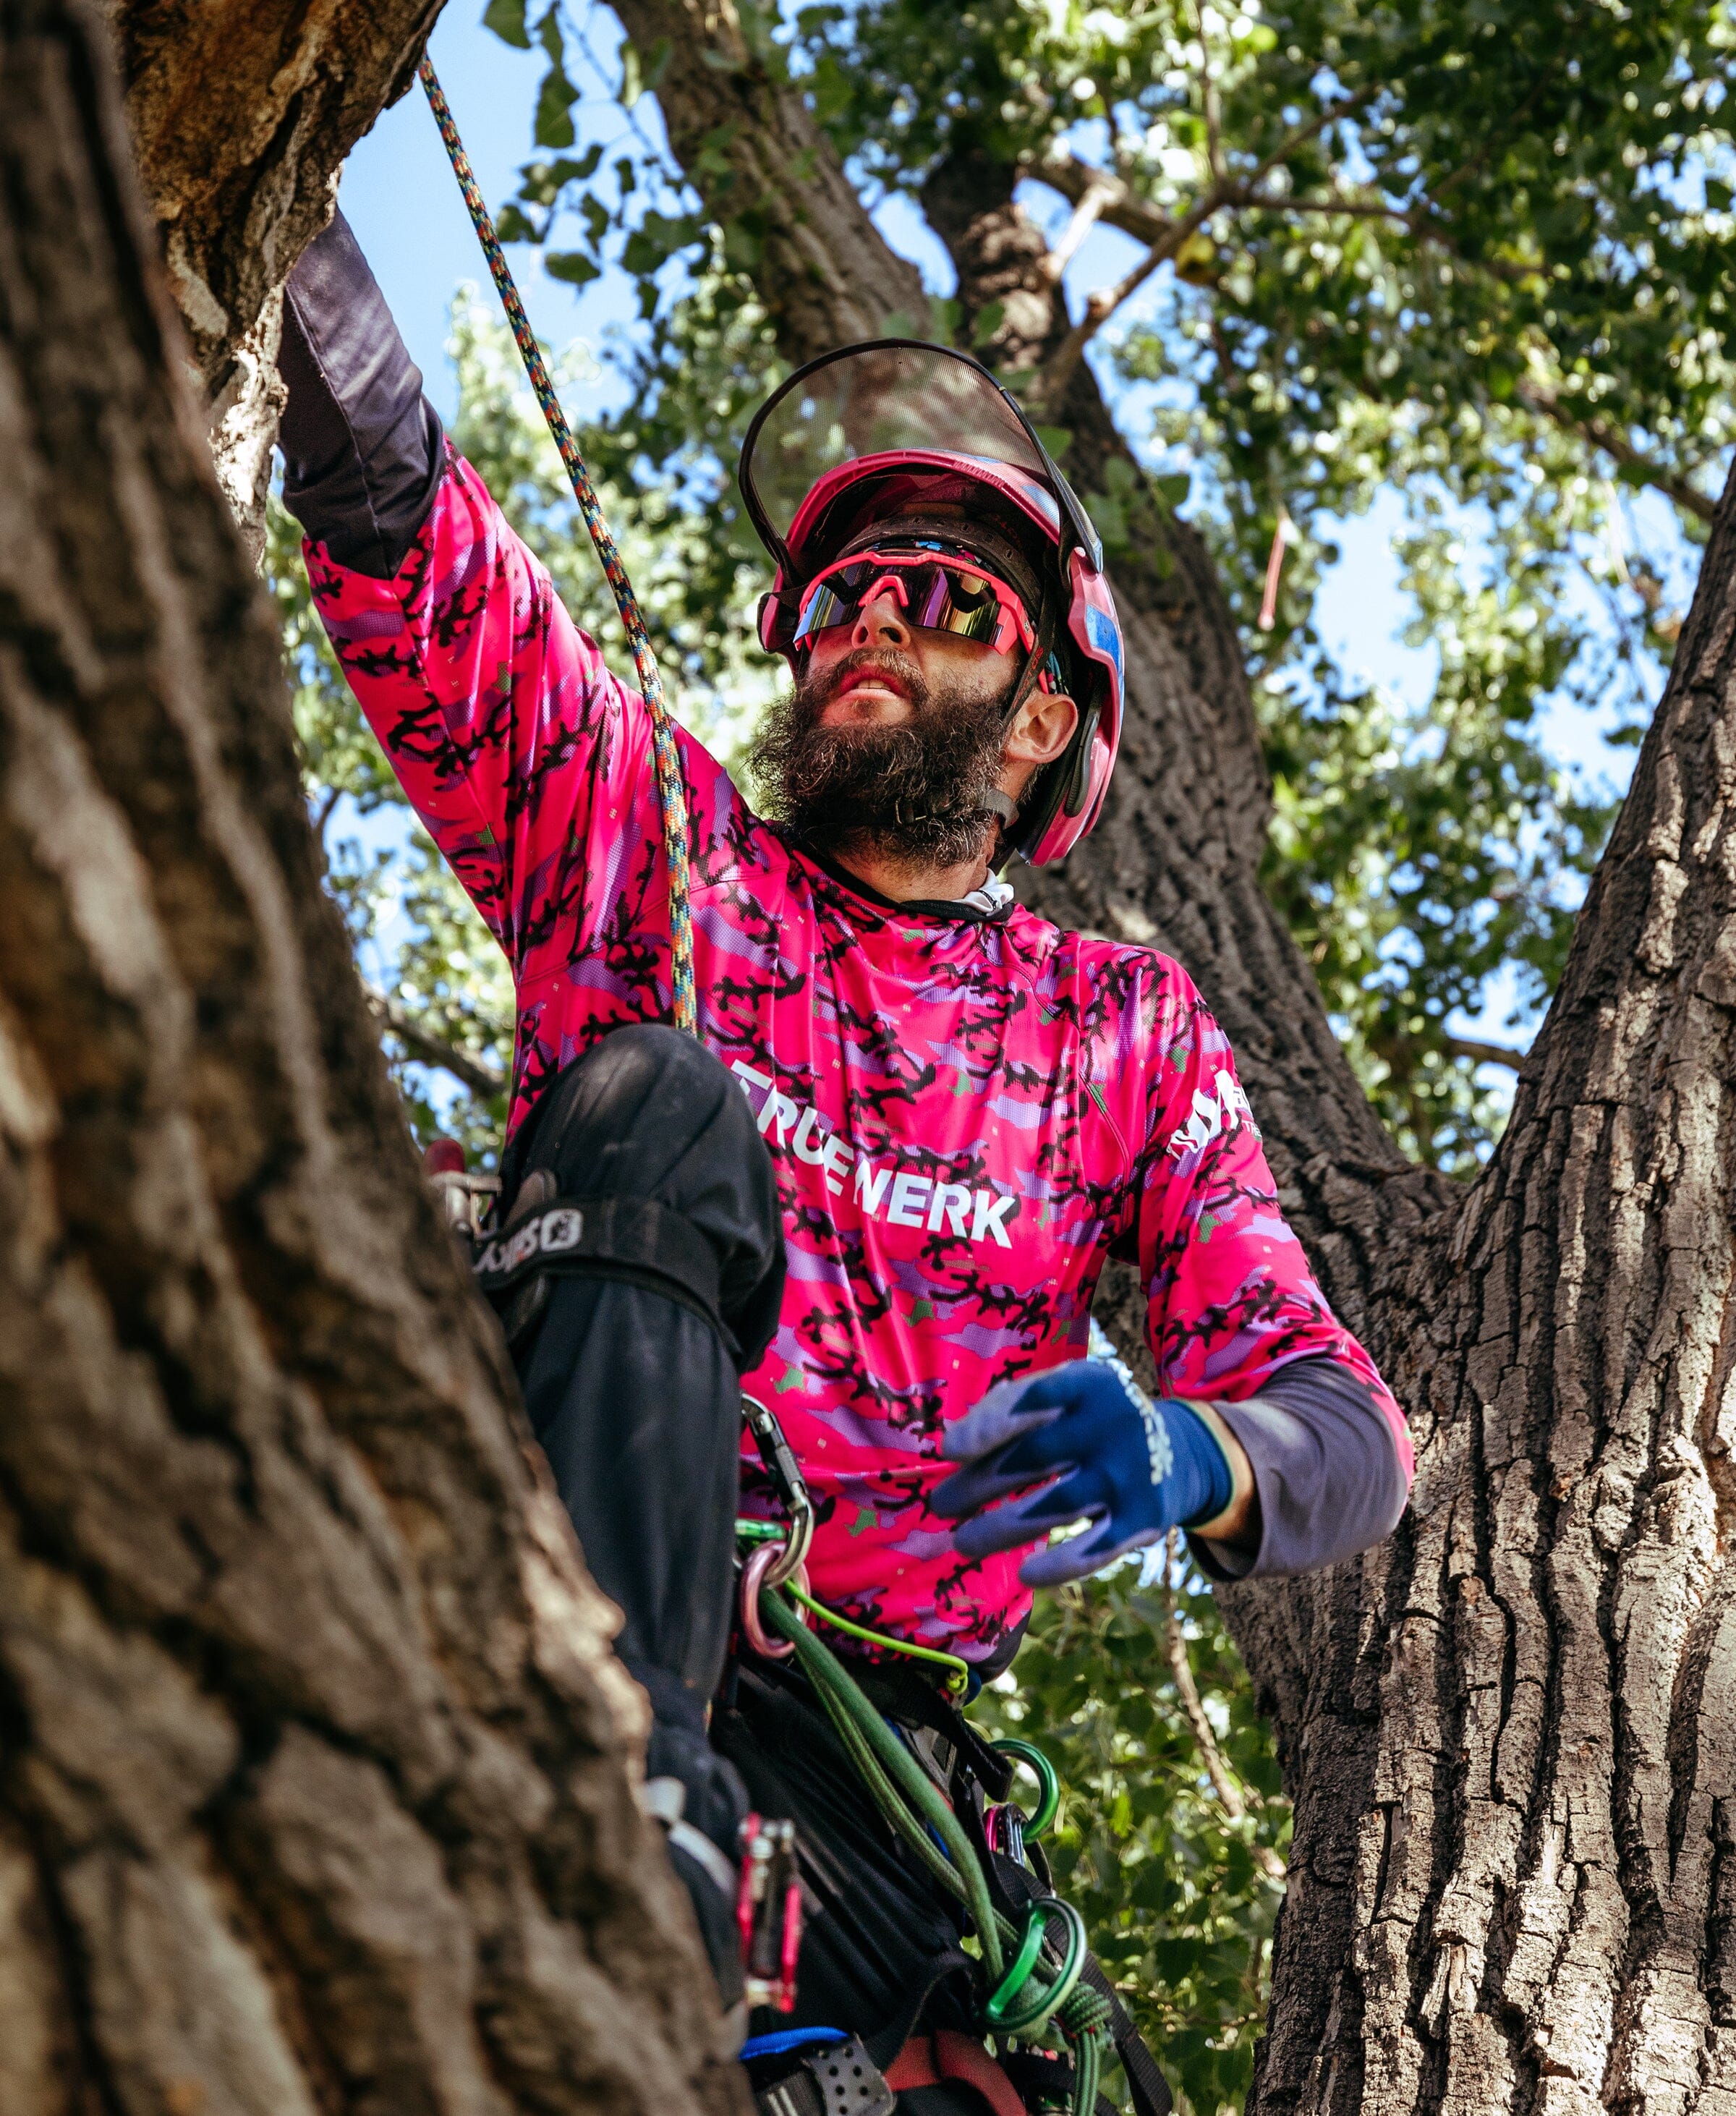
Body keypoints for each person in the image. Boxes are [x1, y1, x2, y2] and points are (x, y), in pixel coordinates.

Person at [277, 208, 1413, 2107]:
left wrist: (1197, 1452)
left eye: (947, 601)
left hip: (880, 1785)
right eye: (843, 598)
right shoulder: (654, 848)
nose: (873, 614)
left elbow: (1346, 1428)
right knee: (657, 1096)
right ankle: (619, 1817)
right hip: (575, 1605)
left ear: (1048, 719)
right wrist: (278, 201)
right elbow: (411, 532)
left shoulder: (1115, 1027)